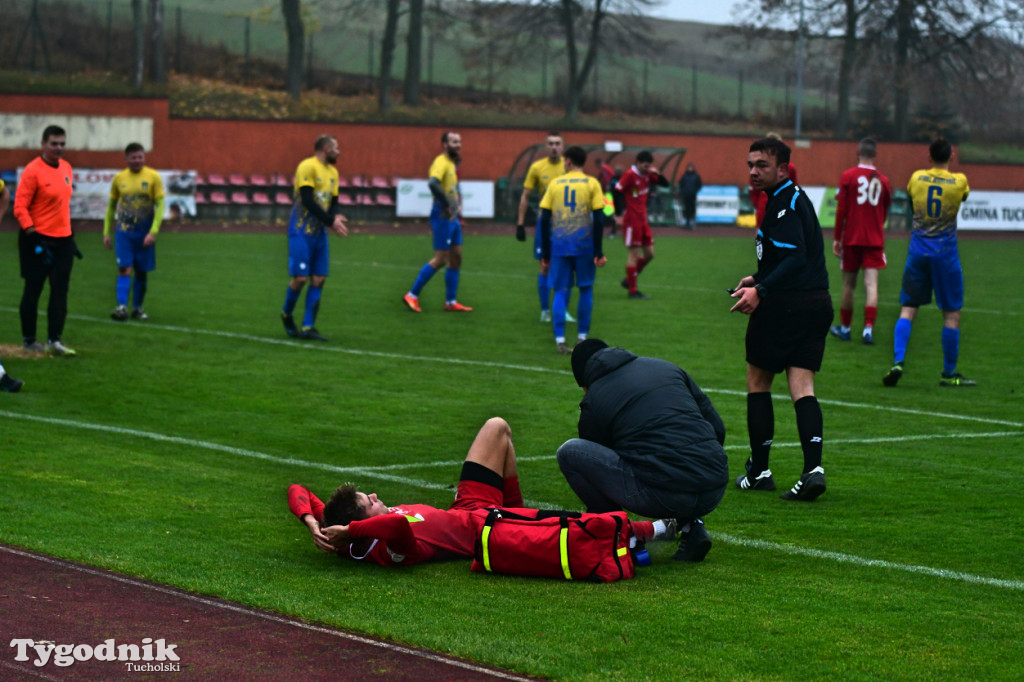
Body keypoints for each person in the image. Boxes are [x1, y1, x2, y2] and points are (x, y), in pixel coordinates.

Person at [287, 417, 675, 565]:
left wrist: (311, 523)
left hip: (469, 506)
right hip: (483, 528)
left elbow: (297, 488)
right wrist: (353, 533)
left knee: (497, 427)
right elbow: (398, 530)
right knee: (577, 525)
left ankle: (519, 511)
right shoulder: (385, 549)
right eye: (367, 503)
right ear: (360, 524)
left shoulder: (357, 527)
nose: (374, 496)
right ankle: (661, 529)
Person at [556, 339, 728, 562]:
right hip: (714, 488)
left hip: (664, 495)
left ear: (584, 381)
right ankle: (693, 527)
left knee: (570, 453)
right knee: (680, 461)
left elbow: (598, 466)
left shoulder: (595, 396)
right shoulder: (666, 367)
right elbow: (718, 429)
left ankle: (619, 535)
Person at [729, 137, 833, 502]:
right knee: (802, 388)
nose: (754, 172)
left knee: (758, 382)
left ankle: (759, 470)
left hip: (786, 306)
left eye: (762, 165)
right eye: (751, 165)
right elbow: (788, 259)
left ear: (782, 169)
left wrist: (762, 290)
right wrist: (757, 279)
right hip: (815, 304)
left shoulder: (784, 204)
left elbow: (795, 259)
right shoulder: (792, 198)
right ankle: (813, 470)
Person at [883, 139, 975, 388]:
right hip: (945, 254)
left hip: (917, 252)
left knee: (908, 309)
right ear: (952, 156)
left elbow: (913, 200)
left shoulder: (917, 178)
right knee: (952, 314)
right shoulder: (959, 182)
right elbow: (963, 198)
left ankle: (898, 361)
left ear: (929, 157)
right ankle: (948, 373)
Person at [14, 125, 78, 357]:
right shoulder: (32, 170)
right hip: (36, 238)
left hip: (63, 240)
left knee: (60, 290)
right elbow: (20, 206)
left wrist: (69, 237)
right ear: (43, 144)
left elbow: (62, 206)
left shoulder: (67, 168)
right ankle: (29, 340)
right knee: (34, 288)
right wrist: (33, 236)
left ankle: (55, 340)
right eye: (54, 143)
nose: (59, 148)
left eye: (62, 143)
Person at [538, 146, 607, 354]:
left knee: (560, 290)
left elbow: (544, 219)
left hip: (559, 245)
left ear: (567, 161)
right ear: (583, 162)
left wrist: (546, 252)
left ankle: (560, 340)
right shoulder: (591, 183)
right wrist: (598, 250)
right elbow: (600, 218)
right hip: (584, 245)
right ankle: (581, 338)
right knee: (585, 288)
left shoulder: (555, 183)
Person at [280, 134, 349, 341]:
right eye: (336, 147)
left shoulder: (333, 172)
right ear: (326, 148)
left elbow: (334, 200)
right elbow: (308, 201)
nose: (339, 151)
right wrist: (331, 221)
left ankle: (308, 327)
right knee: (300, 279)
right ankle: (286, 314)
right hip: (301, 230)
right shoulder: (307, 166)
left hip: (319, 233)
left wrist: (335, 215)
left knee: (319, 278)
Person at [830, 138, 892, 345]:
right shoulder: (883, 180)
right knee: (871, 285)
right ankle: (867, 329)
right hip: (874, 239)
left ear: (857, 151)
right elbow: (885, 210)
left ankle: (846, 328)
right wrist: (876, 226)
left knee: (849, 285)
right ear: (875, 154)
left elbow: (841, 211)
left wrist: (837, 237)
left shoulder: (848, 176)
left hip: (852, 239)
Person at [403, 131, 472, 313]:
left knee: (456, 257)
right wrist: (447, 203)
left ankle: (450, 302)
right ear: (444, 145)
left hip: (452, 217)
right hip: (442, 215)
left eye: (459, 141)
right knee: (441, 259)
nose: (458, 145)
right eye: (454, 142)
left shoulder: (451, 164)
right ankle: (412, 295)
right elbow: (433, 183)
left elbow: (450, 188)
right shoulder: (440, 162)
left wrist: (457, 208)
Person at [103, 143, 165, 321]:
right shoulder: (119, 179)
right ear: (126, 159)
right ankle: (122, 307)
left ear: (144, 157)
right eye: (133, 157)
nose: (137, 160)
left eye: (140, 157)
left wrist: (153, 232)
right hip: (124, 232)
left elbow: (160, 205)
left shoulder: (153, 176)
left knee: (141, 271)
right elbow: (110, 208)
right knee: (124, 268)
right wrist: (106, 233)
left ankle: (137, 308)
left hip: (144, 233)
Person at [515, 132, 573, 323]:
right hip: (546, 223)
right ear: (546, 147)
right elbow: (525, 195)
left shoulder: (570, 167)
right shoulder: (537, 167)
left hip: (566, 225)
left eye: (557, 143)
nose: (554, 147)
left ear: (563, 147)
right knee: (545, 265)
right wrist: (520, 223)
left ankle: (562, 309)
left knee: (565, 266)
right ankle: (545, 310)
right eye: (550, 144)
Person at [615, 151, 668, 299]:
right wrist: (618, 213)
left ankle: (629, 279)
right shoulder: (629, 175)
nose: (647, 169)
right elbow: (617, 191)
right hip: (631, 221)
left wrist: (656, 172)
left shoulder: (648, 175)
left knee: (650, 254)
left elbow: (665, 183)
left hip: (643, 221)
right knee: (633, 254)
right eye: (645, 166)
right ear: (638, 162)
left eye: (649, 166)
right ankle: (633, 291)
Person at [749, 132, 798, 228]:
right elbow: (753, 190)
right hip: (764, 212)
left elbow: (795, 189)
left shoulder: (789, 168)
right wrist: (759, 205)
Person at [677, 162, 703, 230]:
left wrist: (694, 190)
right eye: (689, 167)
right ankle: (686, 221)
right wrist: (682, 191)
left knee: (692, 208)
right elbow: (681, 184)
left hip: (692, 195)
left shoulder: (696, 176)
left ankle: (691, 222)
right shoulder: (684, 176)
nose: (690, 169)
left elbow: (699, 185)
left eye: (691, 167)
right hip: (685, 195)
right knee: (686, 208)